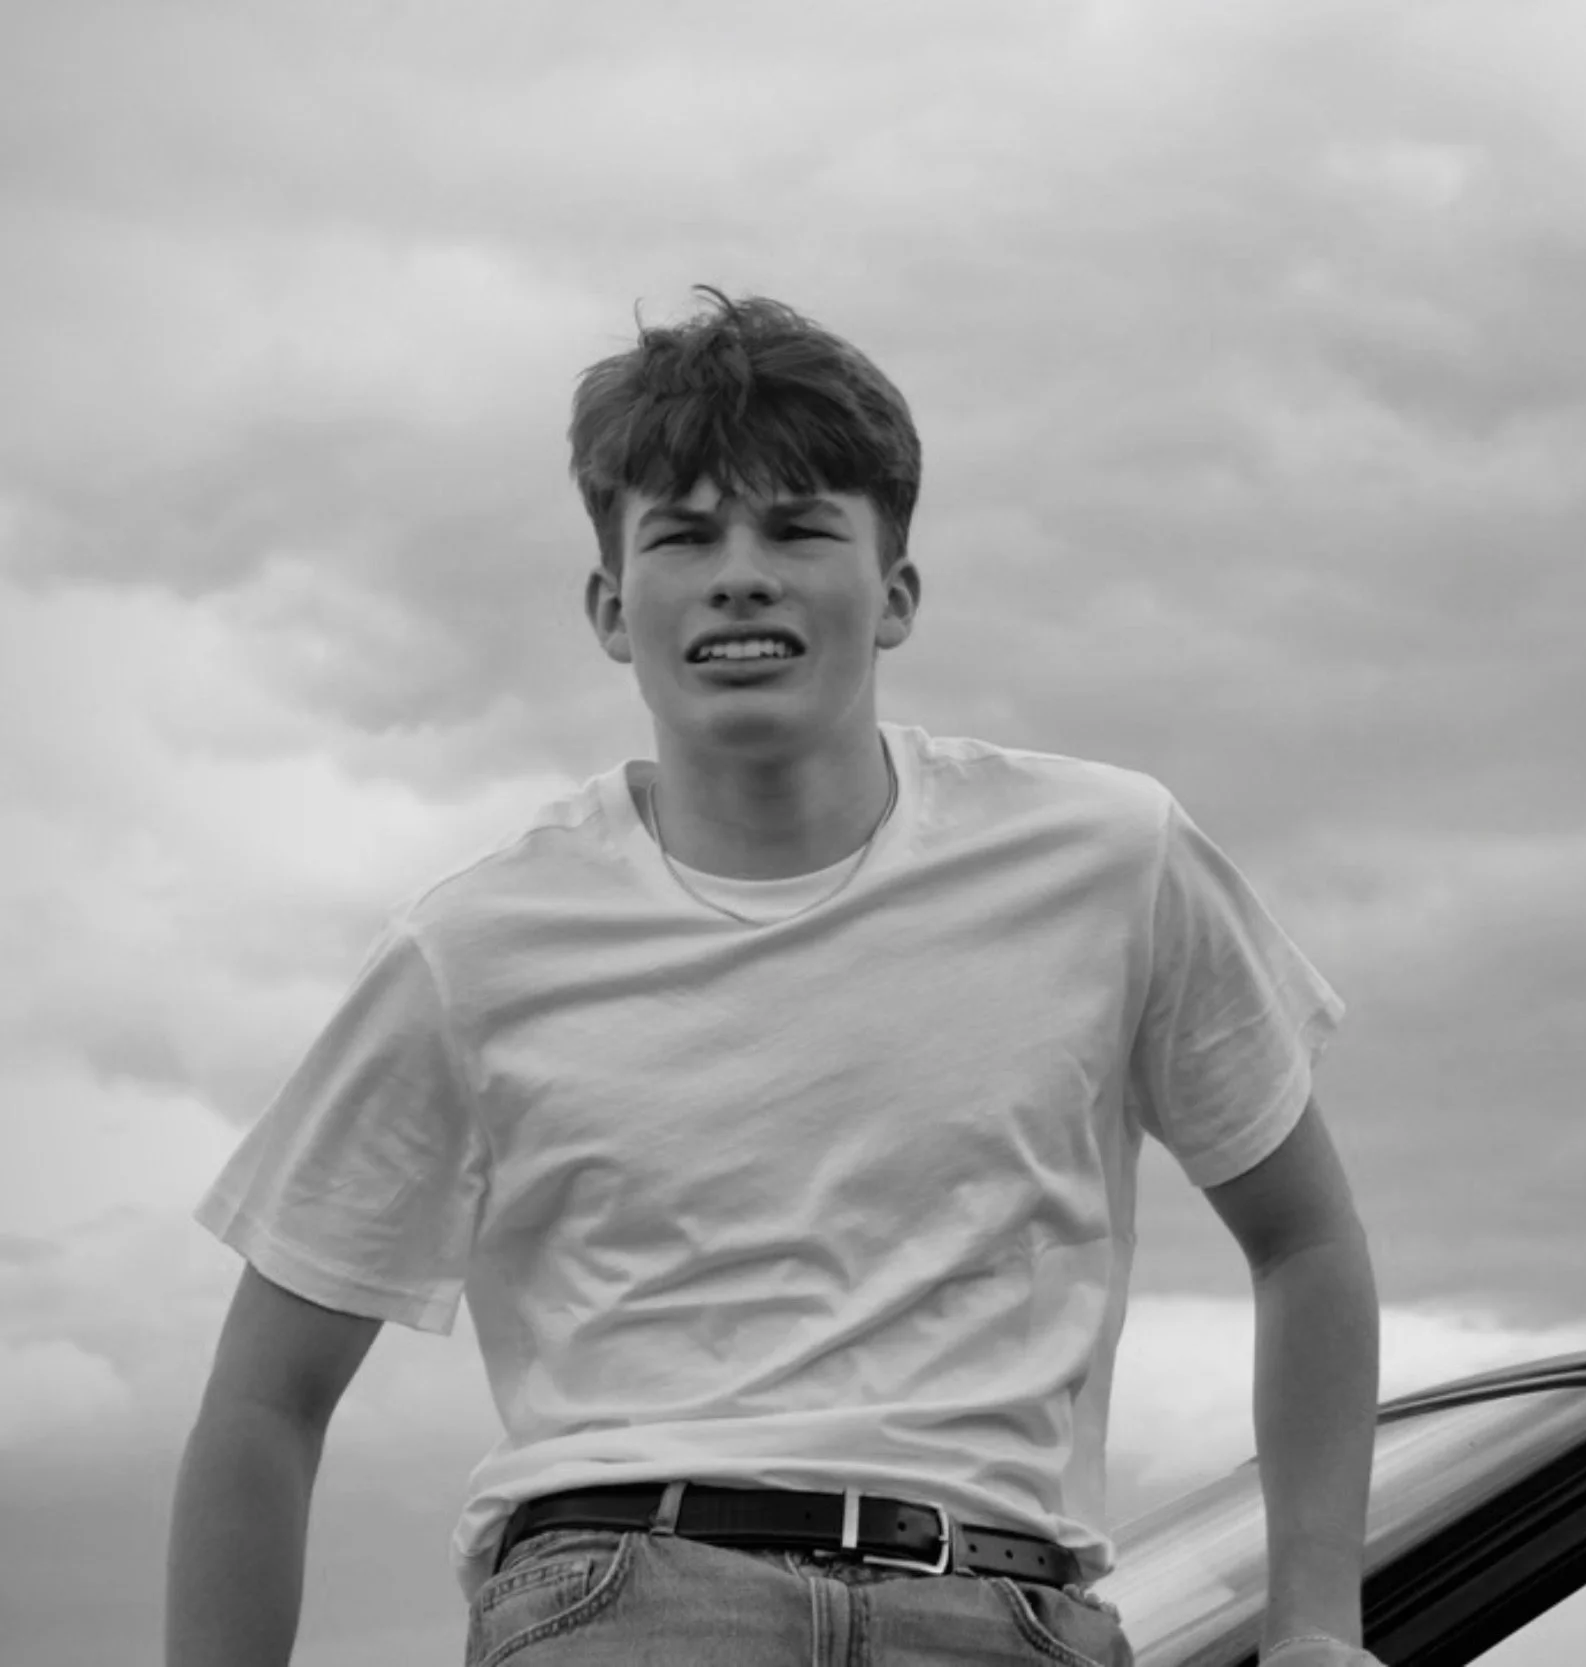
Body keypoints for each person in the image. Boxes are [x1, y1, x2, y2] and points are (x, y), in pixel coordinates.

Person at [165, 287, 1386, 1667]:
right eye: (684, 536)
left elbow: (1307, 1241)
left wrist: (1317, 1628)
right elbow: (265, 1401)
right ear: (613, 608)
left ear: (899, 593)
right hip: (623, 1600)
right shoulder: (475, 945)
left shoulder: (1113, 858)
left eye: (801, 528)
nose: (741, 572)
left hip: (999, 1608)